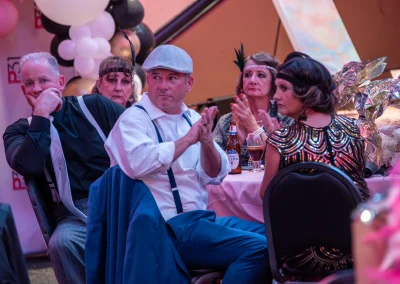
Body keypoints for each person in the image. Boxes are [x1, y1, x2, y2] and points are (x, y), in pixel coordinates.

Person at [104, 44, 271, 283]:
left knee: (275, 237)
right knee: (258, 249)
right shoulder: (132, 120)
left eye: (172, 78)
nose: (162, 85)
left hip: (197, 220)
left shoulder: (191, 118)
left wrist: (206, 143)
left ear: (189, 83)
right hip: (164, 229)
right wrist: (189, 139)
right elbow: (139, 164)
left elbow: (215, 174)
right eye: (156, 77)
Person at [3, 52, 125, 284]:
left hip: (117, 202)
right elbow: (28, 166)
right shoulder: (18, 131)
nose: (37, 89)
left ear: (60, 82)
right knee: (62, 242)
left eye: (44, 81)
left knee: (147, 225)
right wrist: (41, 115)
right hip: (72, 213)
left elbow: (139, 136)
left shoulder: (95, 106)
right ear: (23, 90)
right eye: (30, 83)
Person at [259, 51, 370, 275]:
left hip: (300, 256)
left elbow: (267, 196)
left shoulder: (280, 141)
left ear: (305, 92)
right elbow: (356, 188)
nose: (275, 97)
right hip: (358, 251)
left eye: (283, 88)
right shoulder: (354, 130)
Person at [213, 44, 292, 166]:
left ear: (273, 83)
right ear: (241, 81)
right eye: (248, 75)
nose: (252, 80)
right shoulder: (226, 122)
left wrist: (253, 127)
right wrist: (236, 142)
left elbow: (288, 163)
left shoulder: (285, 119)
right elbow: (214, 168)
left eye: (261, 75)